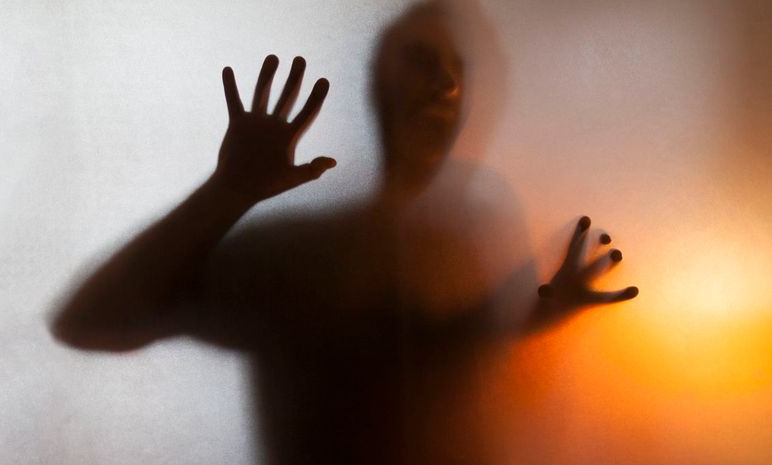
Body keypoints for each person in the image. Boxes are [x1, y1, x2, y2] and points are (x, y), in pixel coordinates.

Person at [52, 2, 637, 464]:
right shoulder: (296, 248)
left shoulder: (478, 225)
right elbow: (86, 322)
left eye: (462, 69)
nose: (447, 85)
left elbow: (438, 364)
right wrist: (227, 191)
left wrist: (539, 316)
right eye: (422, 59)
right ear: (371, 81)